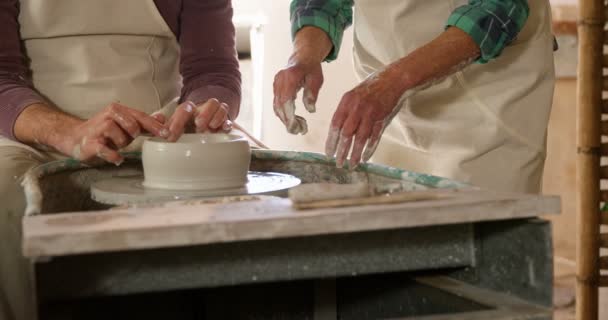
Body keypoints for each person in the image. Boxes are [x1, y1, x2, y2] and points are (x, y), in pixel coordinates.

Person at [0, 1, 240, 319]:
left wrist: (203, 107)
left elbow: (213, 71)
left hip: (157, 133)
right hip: (32, 136)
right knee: (5, 195)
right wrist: (69, 133)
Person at [273, 0, 555, 194]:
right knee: (395, 255)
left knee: (476, 257)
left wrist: (394, 82)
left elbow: (500, 6)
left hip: (486, 100)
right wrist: (304, 55)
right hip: (386, 103)